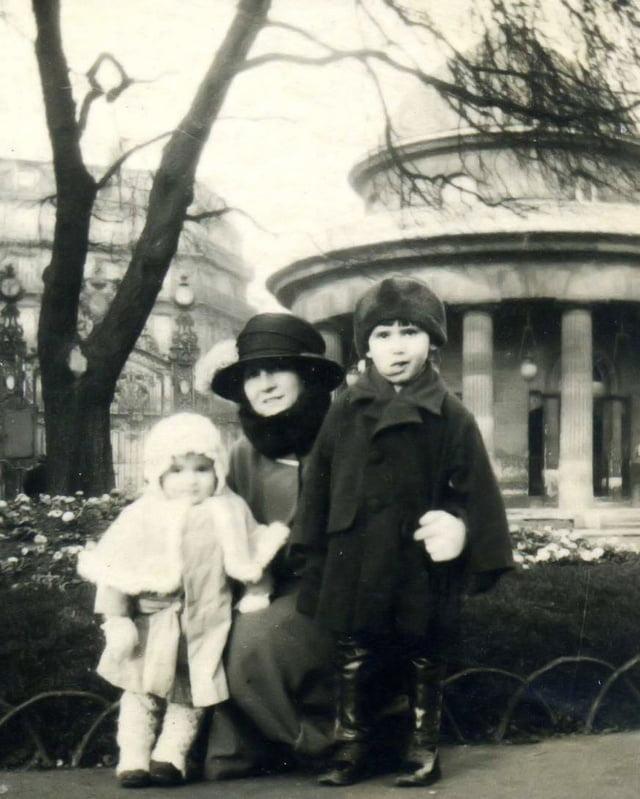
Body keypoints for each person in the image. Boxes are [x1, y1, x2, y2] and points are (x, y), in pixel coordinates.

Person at [293, 277, 514, 788]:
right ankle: (350, 746)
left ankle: (423, 747)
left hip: (416, 556)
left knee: (422, 650)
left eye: (410, 332)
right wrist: (310, 546)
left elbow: (475, 488)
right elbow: (317, 484)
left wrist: (459, 525)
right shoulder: (343, 409)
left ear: (432, 343)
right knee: (353, 650)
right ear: (367, 346)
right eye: (384, 334)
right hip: (354, 548)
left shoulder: (451, 414)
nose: (397, 346)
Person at [77, 412, 288, 789]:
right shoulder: (141, 515)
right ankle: (134, 756)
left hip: (204, 624)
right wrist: (118, 618)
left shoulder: (229, 509)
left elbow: (251, 552)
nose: (190, 480)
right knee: (140, 690)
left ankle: (170, 756)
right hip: (152, 625)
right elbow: (114, 568)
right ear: (158, 473)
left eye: (202, 469)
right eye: (177, 471)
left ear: (217, 470)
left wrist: (257, 591)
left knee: (188, 696)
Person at [197, 313, 345, 780]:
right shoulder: (243, 452)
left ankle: (325, 743)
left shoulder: (344, 437)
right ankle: (252, 746)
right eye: (252, 374)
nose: (264, 384)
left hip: (337, 585)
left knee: (256, 646)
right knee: (215, 633)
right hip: (265, 584)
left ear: (304, 375)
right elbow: (225, 528)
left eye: (276, 369)